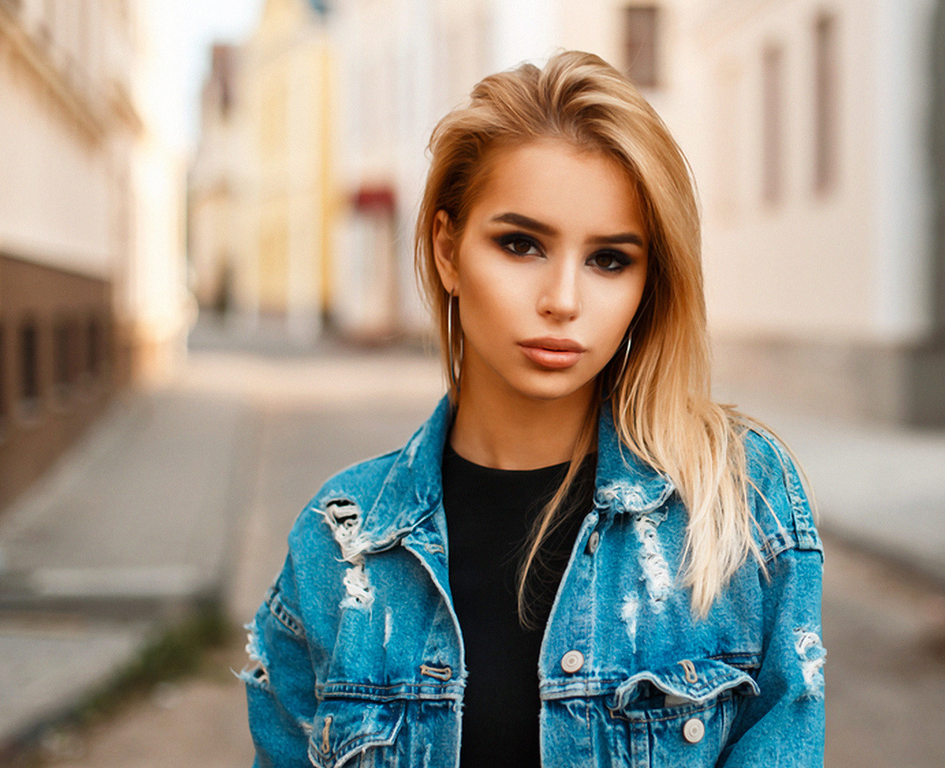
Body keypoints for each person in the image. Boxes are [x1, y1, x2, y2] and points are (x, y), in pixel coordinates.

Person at [241, 50, 824, 768]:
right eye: (520, 244)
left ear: (651, 281)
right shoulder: (340, 546)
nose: (564, 300)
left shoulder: (737, 501)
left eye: (610, 259)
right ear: (448, 250)